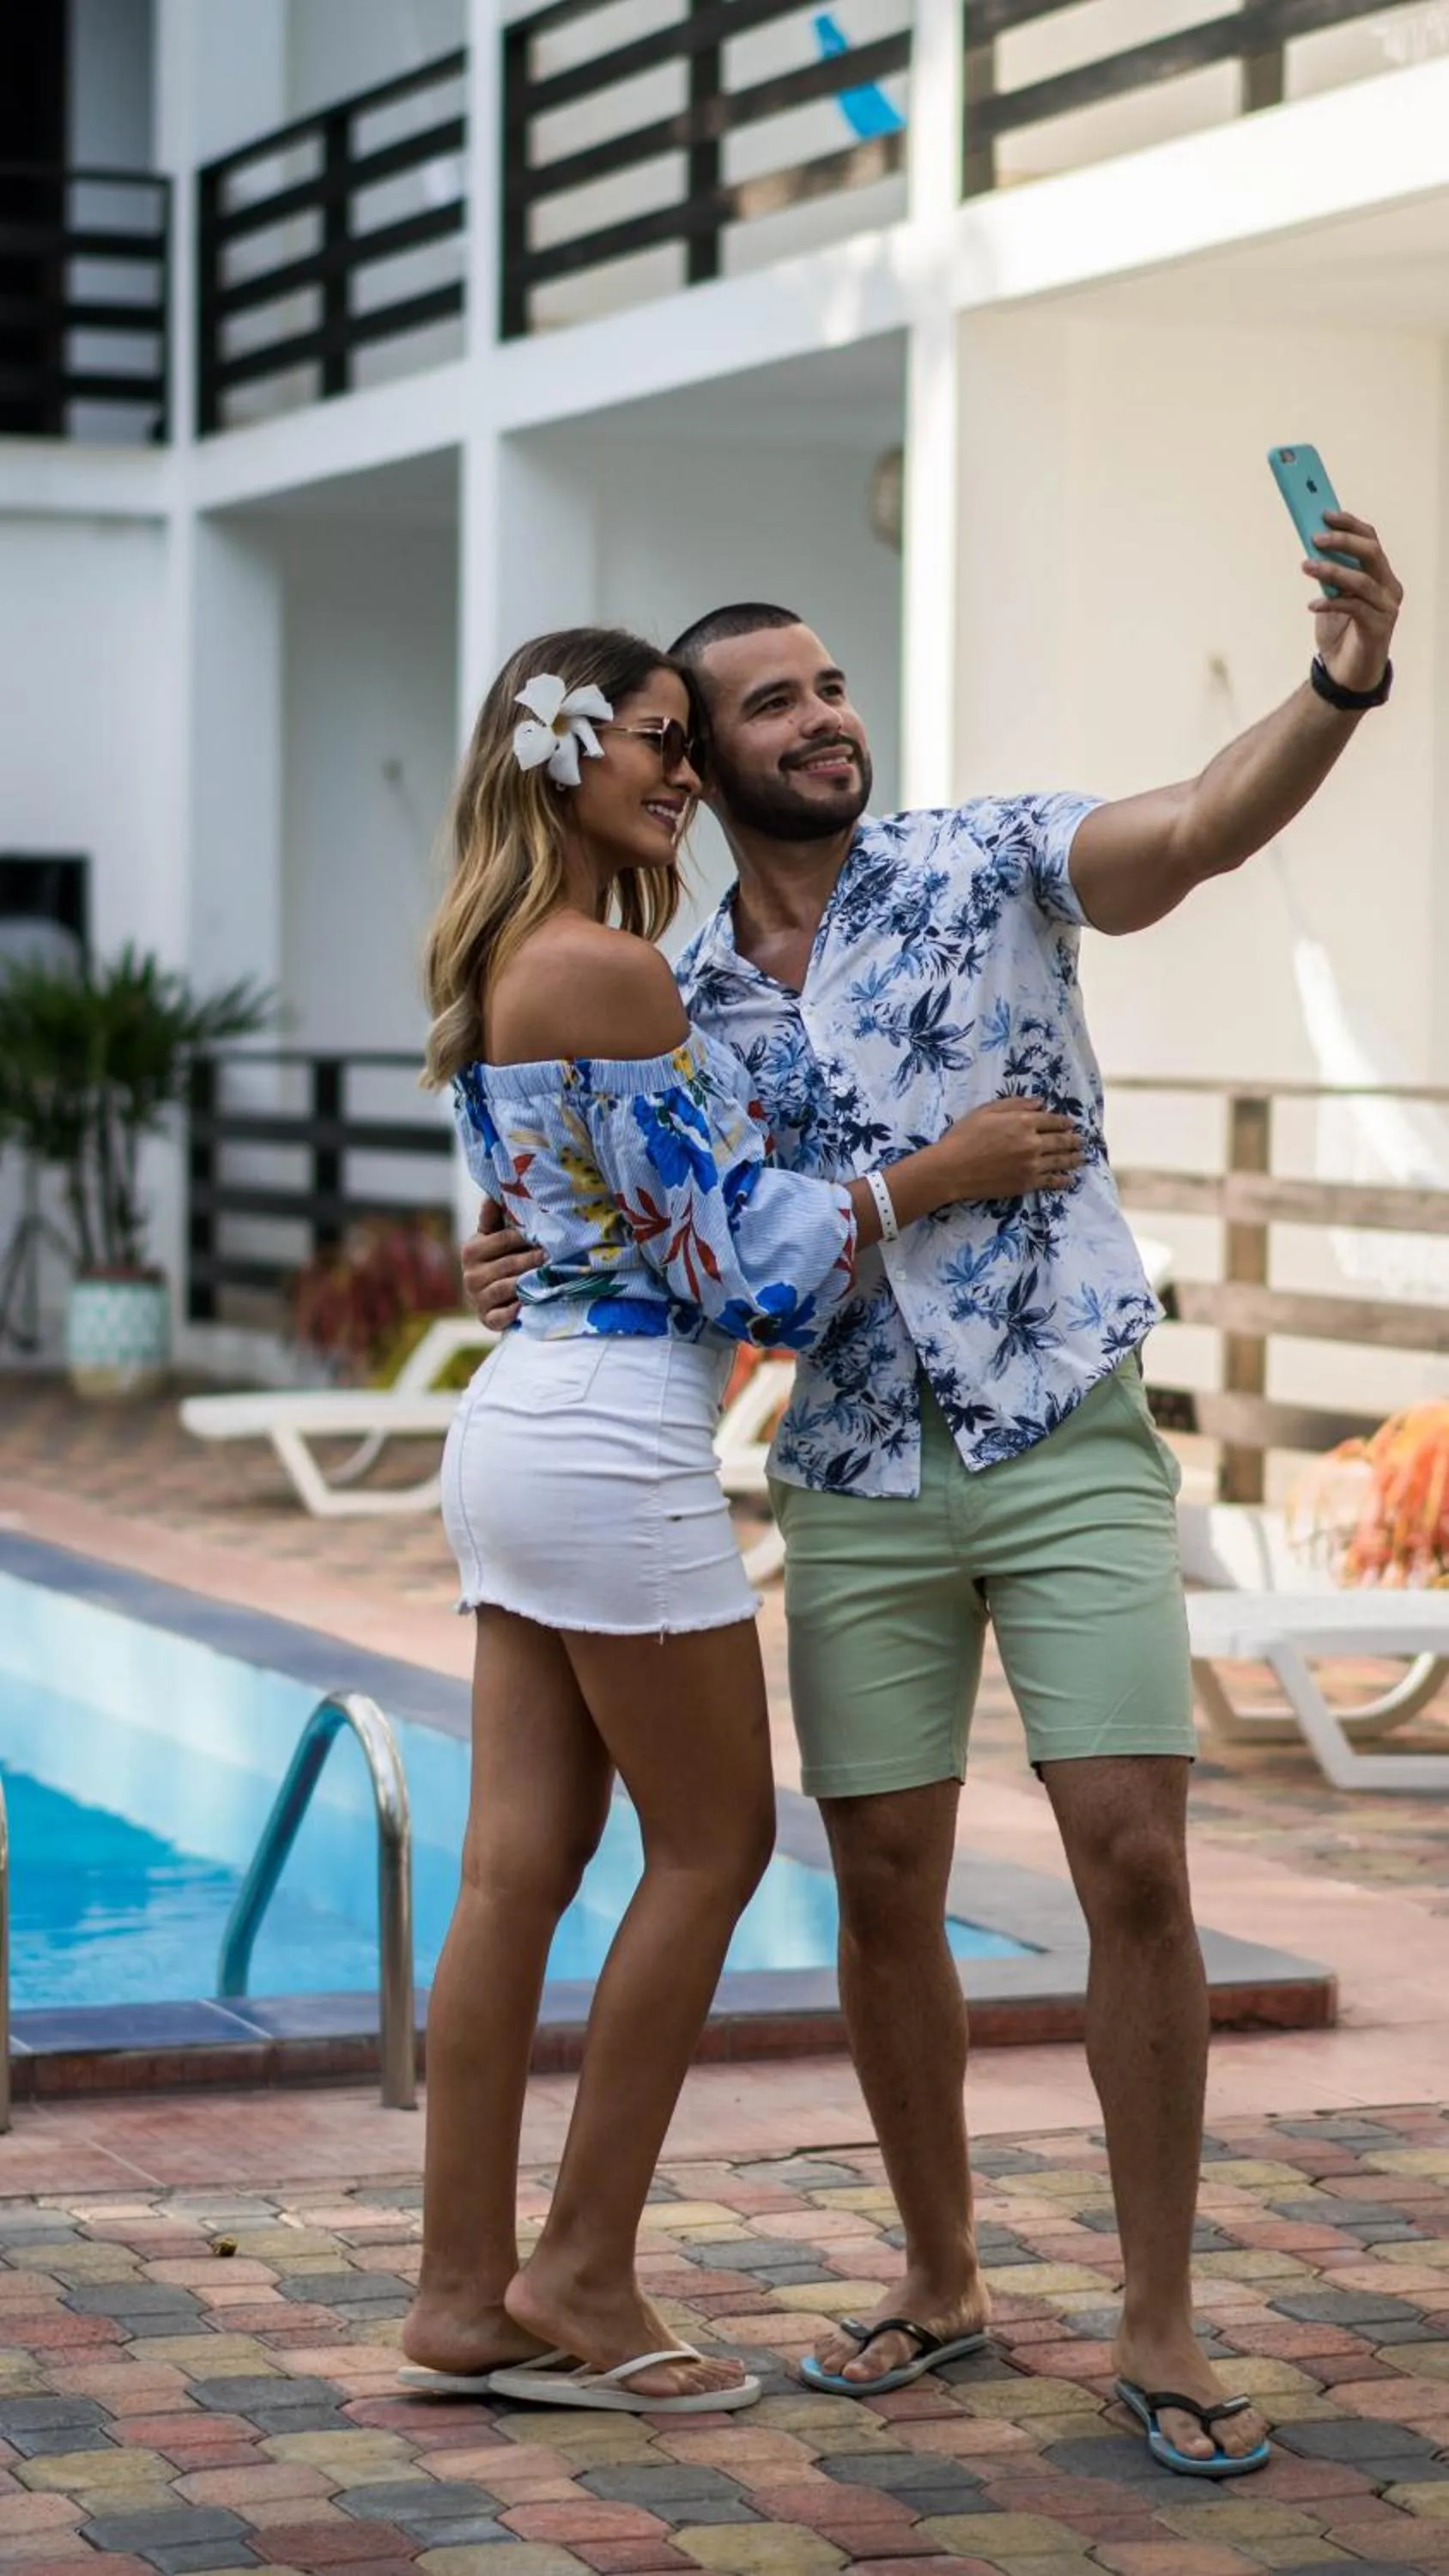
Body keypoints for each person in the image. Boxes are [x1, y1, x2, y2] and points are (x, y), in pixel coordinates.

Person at [461, 510, 1403, 2471]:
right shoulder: (672, 985)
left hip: (1061, 1429)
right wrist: (531, 1256)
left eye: (833, 685)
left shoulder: (985, 860)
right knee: (885, 1883)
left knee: (1133, 1862)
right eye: (765, 704)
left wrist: (1339, 682)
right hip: (854, 1468)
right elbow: (669, 1221)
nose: (823, 717)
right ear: (699, 762)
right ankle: (939, 2276)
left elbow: (1197, 829)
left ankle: (1160, 2314)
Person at [399, 624, 1085, 2419]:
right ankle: (580, 2271)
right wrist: (933, 1173)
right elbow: (744, 1270)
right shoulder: (613, 971)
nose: (683, 774)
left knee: (512, 1873)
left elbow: (573, 1216)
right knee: (712, 1852)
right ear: (563, 758)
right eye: (654, 739)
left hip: (522, 1426)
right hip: (615, 1442)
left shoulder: (506, 958)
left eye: (681, 745)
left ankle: (462, 2296)